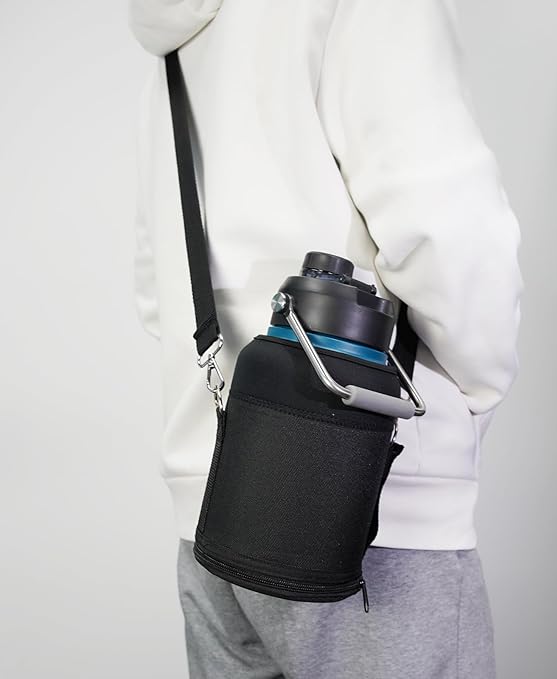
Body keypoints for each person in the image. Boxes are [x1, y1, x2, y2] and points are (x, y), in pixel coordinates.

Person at [128, 1, 524, 677]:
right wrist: (476, 394)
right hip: (364, 497)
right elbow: (447, 232)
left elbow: (153, 286)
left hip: (212, 513)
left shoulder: (174, 43)